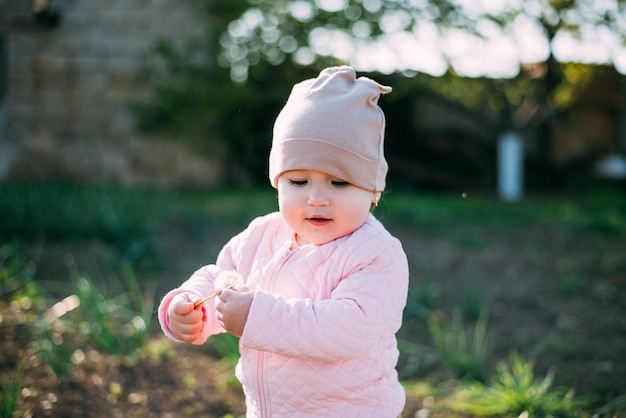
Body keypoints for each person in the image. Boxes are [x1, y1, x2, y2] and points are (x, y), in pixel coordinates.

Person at [158, 66, 410, 417]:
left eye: (339, 183)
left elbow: (346, 329)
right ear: (278, 182)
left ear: (372, 192)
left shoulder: (374, 255)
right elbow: (224, 277)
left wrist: (255, 316)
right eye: (298, 182)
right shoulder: (262, 236)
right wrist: (191, 307)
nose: (317, 199)